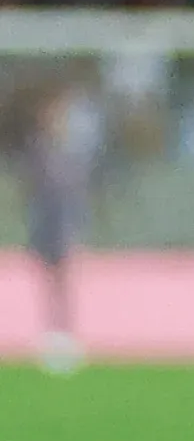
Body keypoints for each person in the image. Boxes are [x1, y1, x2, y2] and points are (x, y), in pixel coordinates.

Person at [19, 77, 96, 372]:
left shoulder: (70, 150)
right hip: (46, 223)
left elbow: (76, 191)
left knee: (63, 281)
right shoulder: (39, 148)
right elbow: (33, 188)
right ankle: (53, 332)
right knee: (51, 281)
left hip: (62, 223)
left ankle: (65, 333)